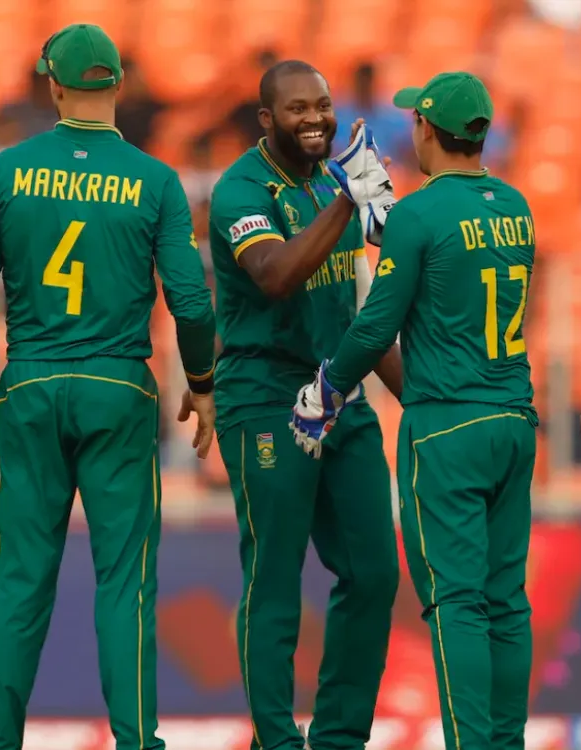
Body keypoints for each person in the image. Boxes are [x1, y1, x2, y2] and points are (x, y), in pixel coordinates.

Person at [0, 23, 217, 750]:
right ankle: (137, 742)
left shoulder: (7, 171)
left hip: (31, 385)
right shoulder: (155, 180)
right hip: (118, 387)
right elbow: (192, 302)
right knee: (125, 583)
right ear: (119, 85)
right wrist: (202, 382)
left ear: (53, 86)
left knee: (20, 584)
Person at [290, 71, 539, 750]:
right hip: (513, 419)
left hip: (447, 427)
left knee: (457, 602)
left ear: (428, 129)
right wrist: (388, 218)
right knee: (506, 600)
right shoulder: (515, 204)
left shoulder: (421, 215)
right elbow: (446, 257)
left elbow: (375, 326)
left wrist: (326, 391)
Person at [201, 58, 402, 750]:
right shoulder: (241, 190)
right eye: (297, 109)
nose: (315, 119)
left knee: (374, 573)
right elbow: (277, 275)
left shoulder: (330, 184)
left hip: (341, 394)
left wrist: (424, 401)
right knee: (275, 578)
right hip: (265, 396)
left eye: (322, 106)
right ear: (267, 119)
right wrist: (349, 197)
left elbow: (362, 313)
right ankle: (277, 741)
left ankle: (339, 737)